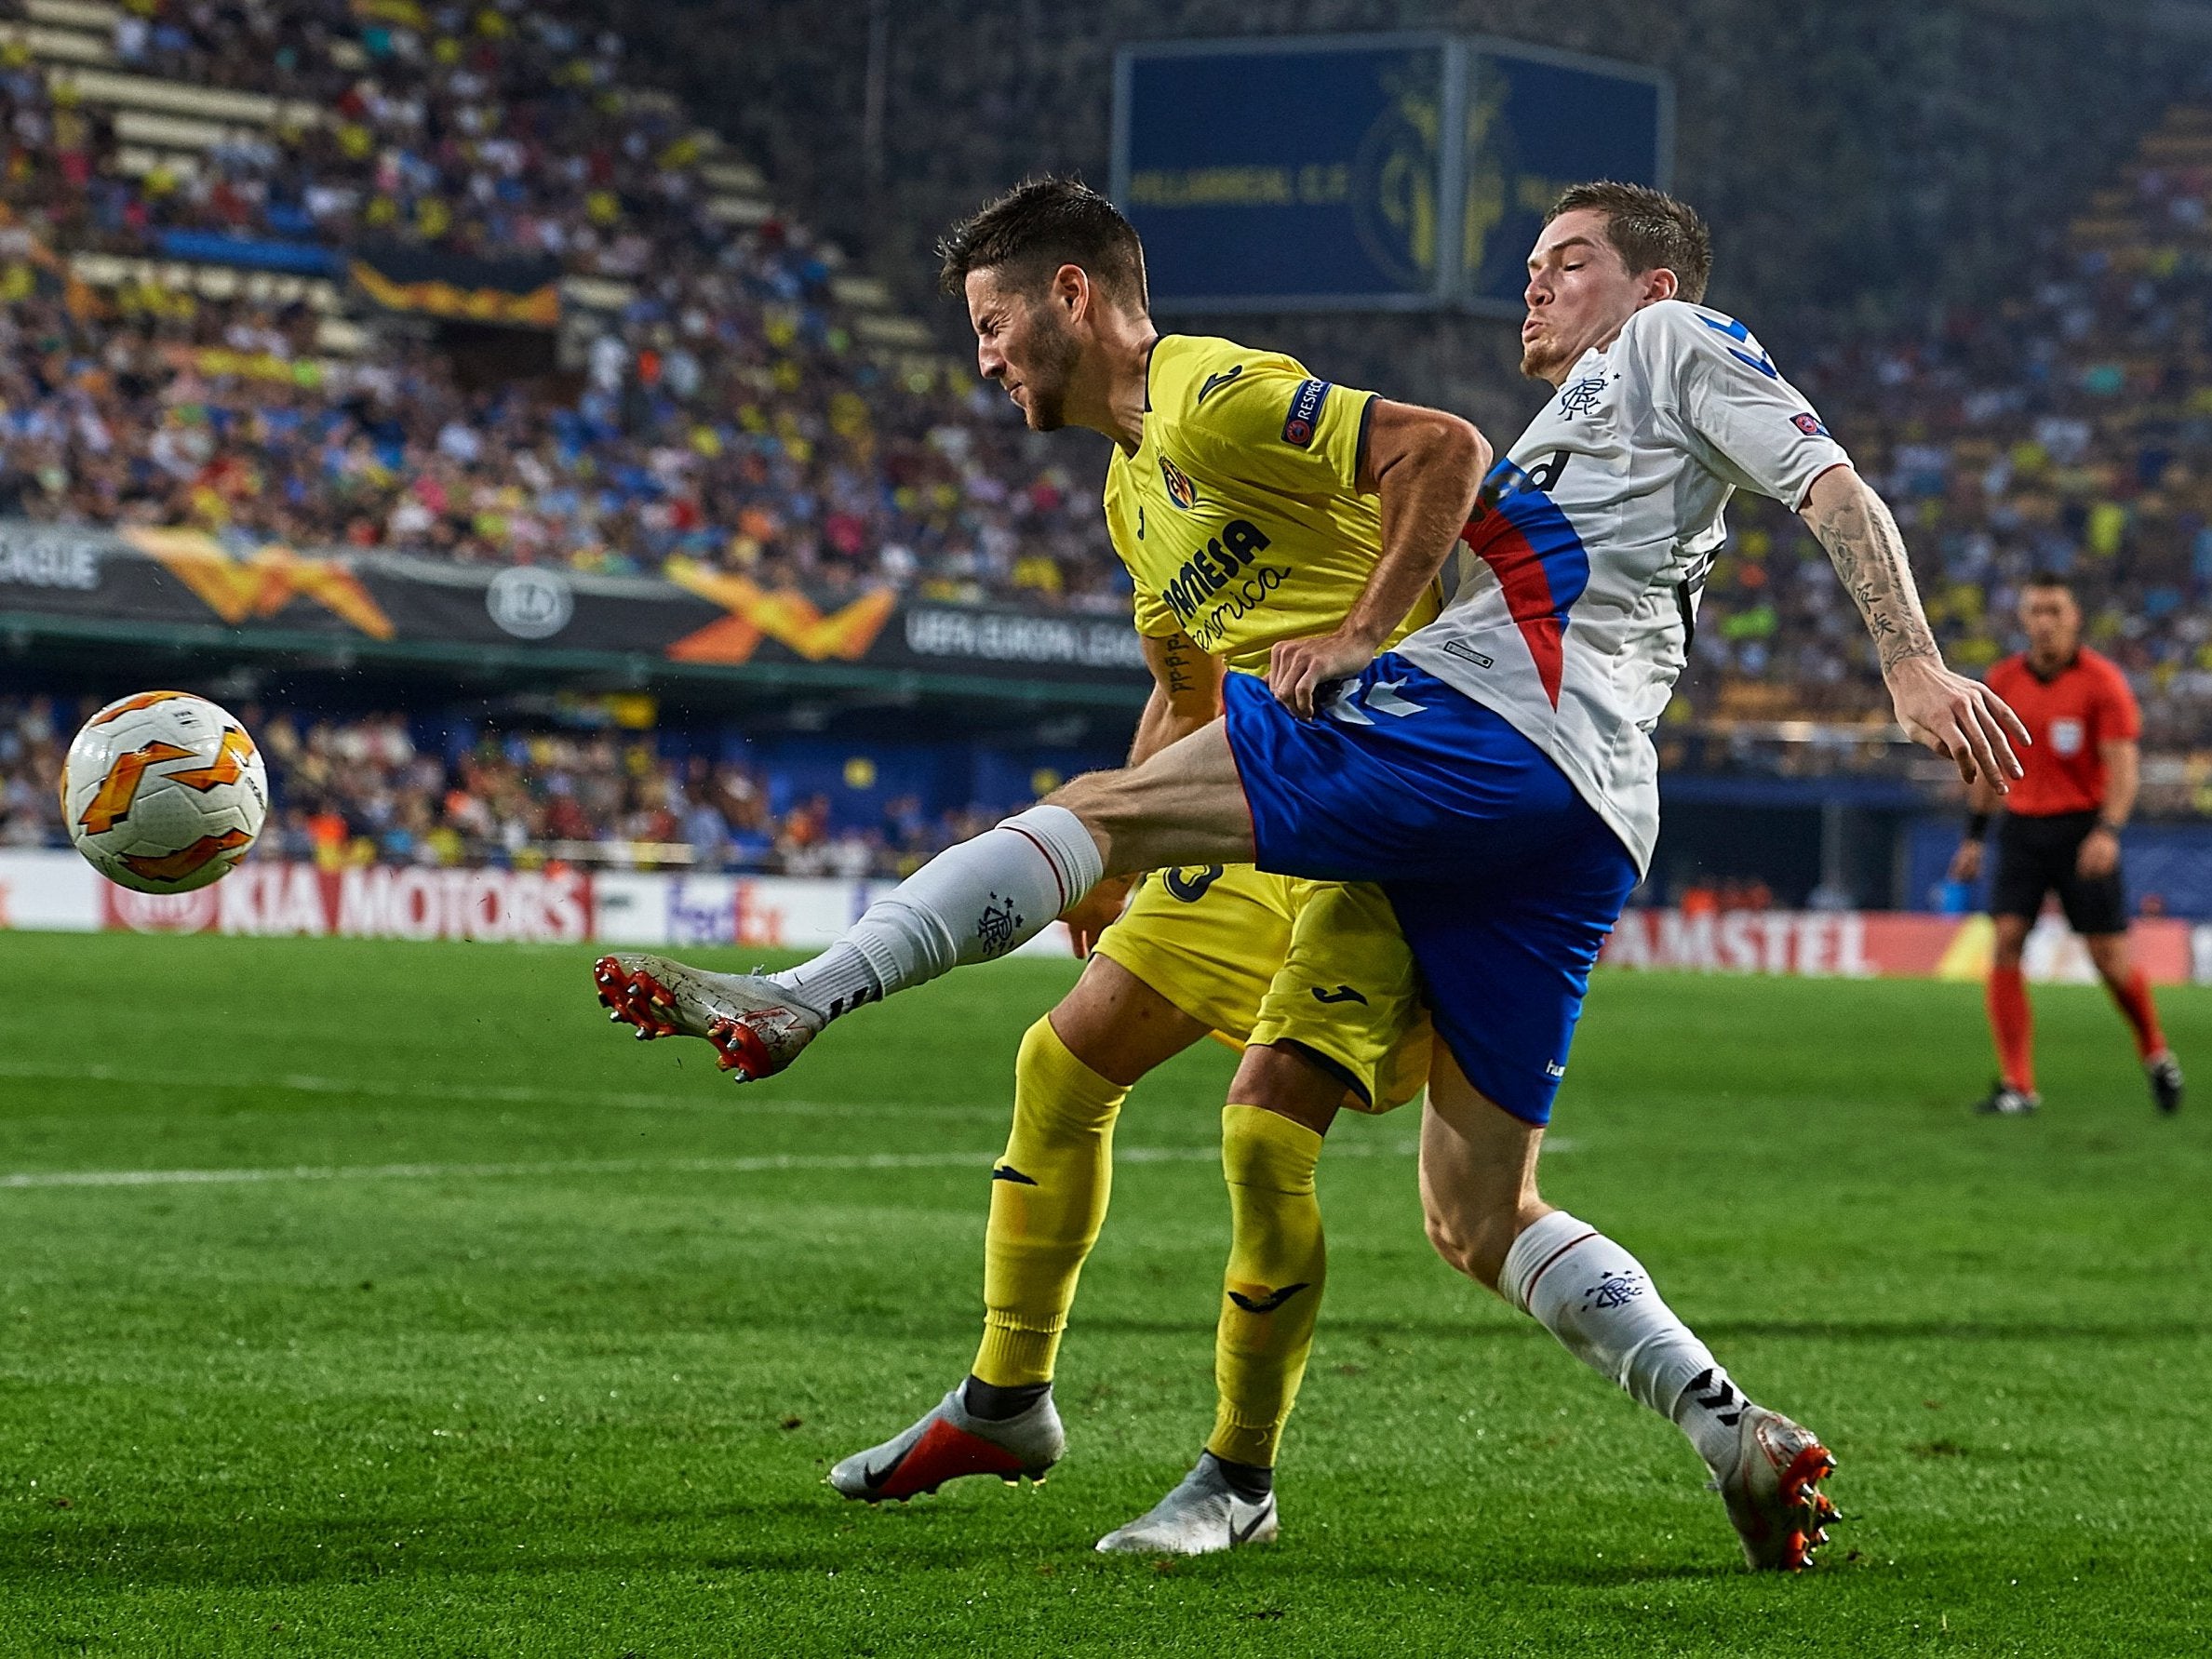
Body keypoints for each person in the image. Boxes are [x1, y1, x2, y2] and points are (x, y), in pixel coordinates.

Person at [597, 180, 2029, 1571]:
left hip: (1472, 736)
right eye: (1534, 259)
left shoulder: (1671, 342)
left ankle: (807, 996)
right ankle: (1736, 1431)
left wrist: (1905, 659)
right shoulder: (1561, 425)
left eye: (1572, 257)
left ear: (1654, 284)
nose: (1537, 277)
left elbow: (1825, 482)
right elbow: (1205, 662)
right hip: (1577, 809)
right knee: (1477, 1211)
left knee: (1125, 856)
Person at [606, 177, 1451, 1556]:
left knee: (1261, 1128)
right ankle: (1005, 1400)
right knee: (1061, 1065)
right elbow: (1182, 687)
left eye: (996, 322)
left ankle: (1238, 1478)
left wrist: (1359, 630)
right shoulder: (1133, 490)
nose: (984, 357)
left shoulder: (1216, 392)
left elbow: (1441, 450)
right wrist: (1114, 867)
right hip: (1255, 819)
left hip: (1390, 820)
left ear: (1075, 294)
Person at [1948, 574, 2183, 1116]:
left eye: (2055, 610)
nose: (2045, 622)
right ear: (2024, 619)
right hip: (2022, 830)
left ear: (2075, 617)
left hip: (2082, 829)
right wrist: (1975, 837)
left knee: (2109, 959)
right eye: (2035, 611)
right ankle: (2018, 1085)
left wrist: (2108, 831)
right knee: (2006, 941)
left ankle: (2155, 1052)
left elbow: (2123, 767)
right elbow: (1988, 764)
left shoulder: (2103, 682)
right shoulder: (2002, 681)